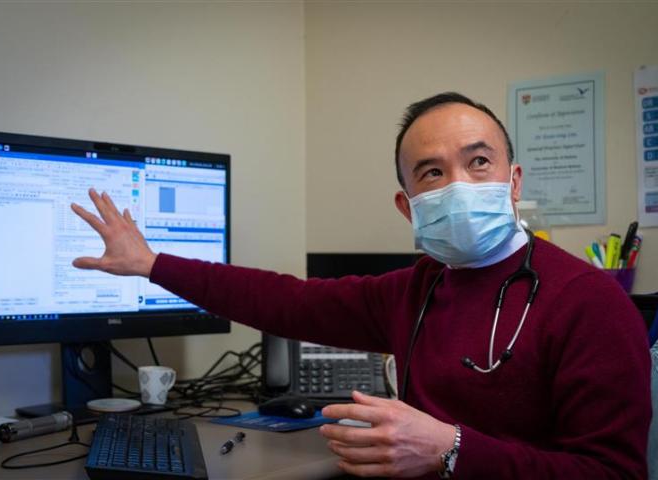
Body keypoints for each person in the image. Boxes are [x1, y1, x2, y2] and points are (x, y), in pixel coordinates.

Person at [70, 92, 651, 479]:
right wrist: (153, 264)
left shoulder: (589, 302)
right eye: (432, 172)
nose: (459, 183)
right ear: (409, 206)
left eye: (478, 162)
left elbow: (612, 473)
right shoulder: (416, 290)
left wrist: (450, 451)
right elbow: (283, 300)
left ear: (513, 180)